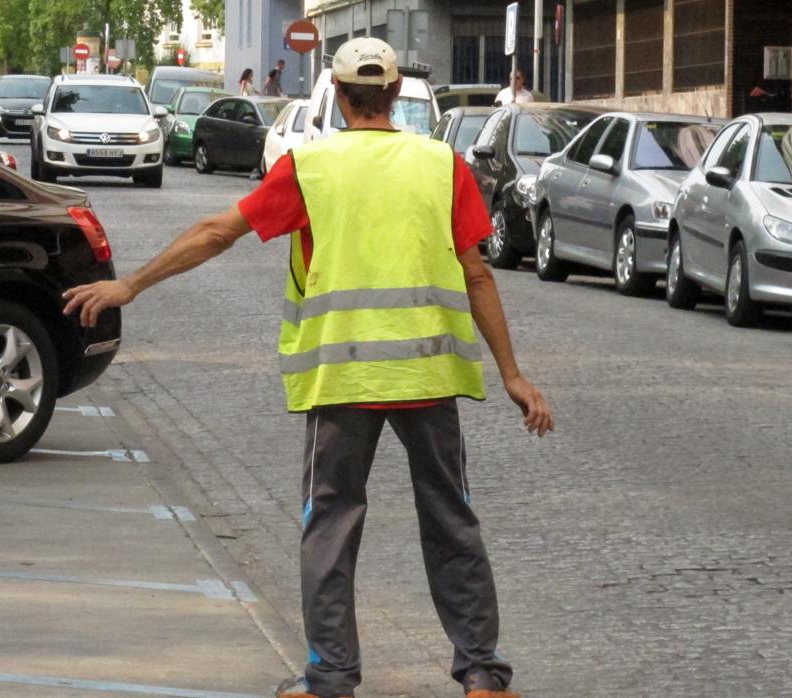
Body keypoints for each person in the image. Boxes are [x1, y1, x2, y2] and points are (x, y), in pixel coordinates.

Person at [62, 36, 553, 698]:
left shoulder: (310, 167)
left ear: (339, 95)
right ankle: (482, 673)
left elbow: (216, 232)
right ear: (396, 92)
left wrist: (132, 286)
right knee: (450, 519)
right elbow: (476, 273)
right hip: (429, 379)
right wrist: (513, 375)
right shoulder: (443, 166)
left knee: (331, 525)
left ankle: (331, 678)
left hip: (343, 380)